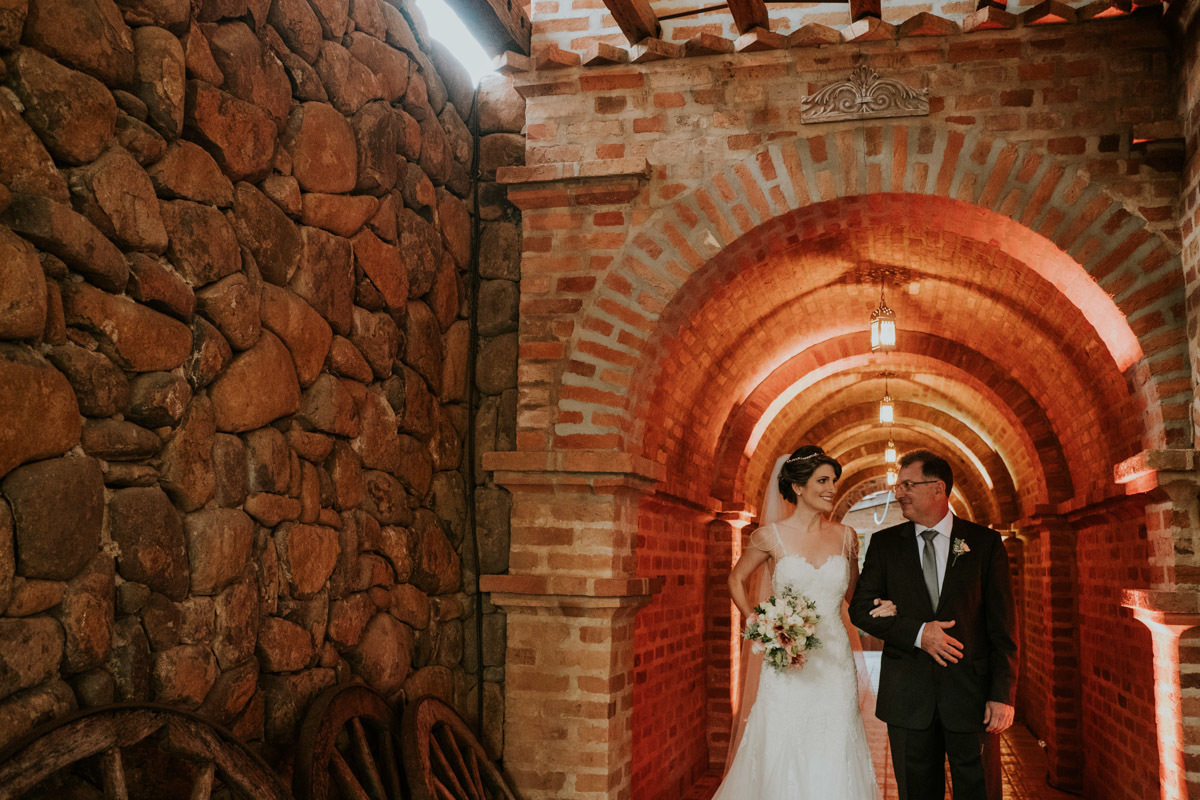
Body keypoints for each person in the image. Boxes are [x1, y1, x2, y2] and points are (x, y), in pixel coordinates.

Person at [713, 445, 894, 799]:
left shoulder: (845, 537)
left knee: (836, 741)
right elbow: (735, 581)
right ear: (798, 487)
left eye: (833, 481)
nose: (831, 488)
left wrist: (880, 607)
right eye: (822, 480)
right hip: (788, 664)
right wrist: (762, 627)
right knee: (784, 739)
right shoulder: (770, 536)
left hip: (834, 662)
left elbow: (853, 597)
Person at [849, 450, 1019, 800]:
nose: (900, 493)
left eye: (908, 484)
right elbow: (861, 610)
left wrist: (1002, 695)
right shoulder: (884, 545)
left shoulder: (984, 543)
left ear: (939, 488)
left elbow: (1003, 627)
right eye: (899, 485)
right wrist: (917, 632)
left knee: (978, 791)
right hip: (908, 697)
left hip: (971, 696)